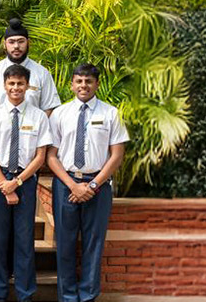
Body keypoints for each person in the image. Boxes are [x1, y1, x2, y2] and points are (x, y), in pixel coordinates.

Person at [46, 63, 127, 302]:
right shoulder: (60, 114)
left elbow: (117, 154)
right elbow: (51, 156)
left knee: (93, 244)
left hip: (98, 186)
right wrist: (73, 185)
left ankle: (89, 296)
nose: (83, 85)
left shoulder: (110, 113)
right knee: (65, 244)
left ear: (97, 84)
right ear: (71, 85)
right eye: (79, 81)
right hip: (66, 185)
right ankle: (68, 297)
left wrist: (93, 186)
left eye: (88, 81)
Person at [0, 64, 52, 302]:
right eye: (11, 83)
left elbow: (40, 157)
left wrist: (17, 182)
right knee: (0, 238)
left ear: (27, 86)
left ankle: (25, 294)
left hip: (26, 180)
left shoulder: (38, 116)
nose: (16, 88)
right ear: (4, 85)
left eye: (20, 83)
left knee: (24, 238)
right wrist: (5, 184)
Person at [0, 19, 62, 119]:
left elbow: (49, 108)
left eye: (21, 41)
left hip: (33, 127)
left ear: (28, 42)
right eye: (11, 42)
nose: (16, 46)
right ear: (4, 44)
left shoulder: (42, 73)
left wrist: (38, 126)